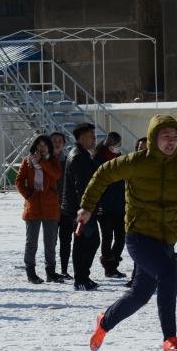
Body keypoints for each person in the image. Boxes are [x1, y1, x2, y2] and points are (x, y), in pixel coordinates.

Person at [81, 114, 177, 351]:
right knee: (168, 274)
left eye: (175, 137)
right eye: (165, 136)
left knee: (140, 294)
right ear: (153, 138)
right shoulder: (135, 162)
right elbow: (102, 175)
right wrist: (87, 207)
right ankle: (169, 337)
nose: (171, 141)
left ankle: (104, 322)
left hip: (167, 237)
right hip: (139, 235)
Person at [16, 135, 64, 283]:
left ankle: (51, 272)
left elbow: (56, 174)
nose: (41, 148)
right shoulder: (27, 160)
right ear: (35, 146)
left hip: (50, 206)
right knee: (31, 242)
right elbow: (18, 181)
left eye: (44, 145)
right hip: (33, 206)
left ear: (49, 147)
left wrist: (42, 161)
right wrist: (28, 194)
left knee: (50, 242)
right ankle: (31, 273)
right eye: (39, 145)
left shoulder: (53, 160)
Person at [62, 123, 101, 291]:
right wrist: (86, 208)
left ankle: (83, 276)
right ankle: (81, 278)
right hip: (81, 209)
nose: (94, 138)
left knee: (88, 242)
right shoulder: (79, 156)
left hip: (81, 208)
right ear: (82, 138)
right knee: (86, 242)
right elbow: (82, 186)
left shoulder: (82, 154)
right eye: (91, 135)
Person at [95, 132, 127, 279]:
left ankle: (111, 263)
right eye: (114, 144)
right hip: (104, 206)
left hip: (119, 204)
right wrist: (98, 204)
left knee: (121, 237)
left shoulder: (120, 159)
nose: (117, 147)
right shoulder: (99, 158)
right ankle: (109, 267)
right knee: (107, 236)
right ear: (108, 144)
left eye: (118, 144)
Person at [52, 131, 73, 280]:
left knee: (66, 241)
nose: (57, 143)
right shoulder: (45, 162)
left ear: (64, 144)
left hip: (66, 208)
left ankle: (64, 270)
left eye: (60, 140)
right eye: (54, 140)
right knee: (51, 241)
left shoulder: (69, 161)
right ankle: (51, 270)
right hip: (50, 208)